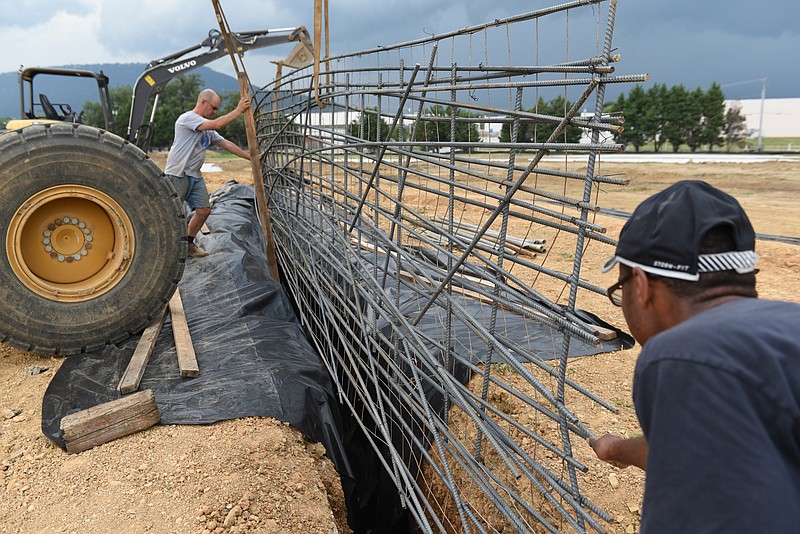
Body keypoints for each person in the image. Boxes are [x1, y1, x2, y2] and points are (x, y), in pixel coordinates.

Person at [589, 180, 800, 532]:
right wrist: (616, 450)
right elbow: (709, 452)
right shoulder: (784, 332)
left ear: (640, 285)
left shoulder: (680, 357)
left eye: (620, 288)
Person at [165, 88, 252, 257]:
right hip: (178, 173)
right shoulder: (187, 119)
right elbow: (218, 123)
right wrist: (238, 111)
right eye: (213, 108)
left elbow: (226, 144)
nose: (214, 112)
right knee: (173, 214)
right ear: (203, 102)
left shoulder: (207, 130)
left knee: (204, 210)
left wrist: (250, 157)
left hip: (194, 176)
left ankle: (188, 245)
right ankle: (167, 250)